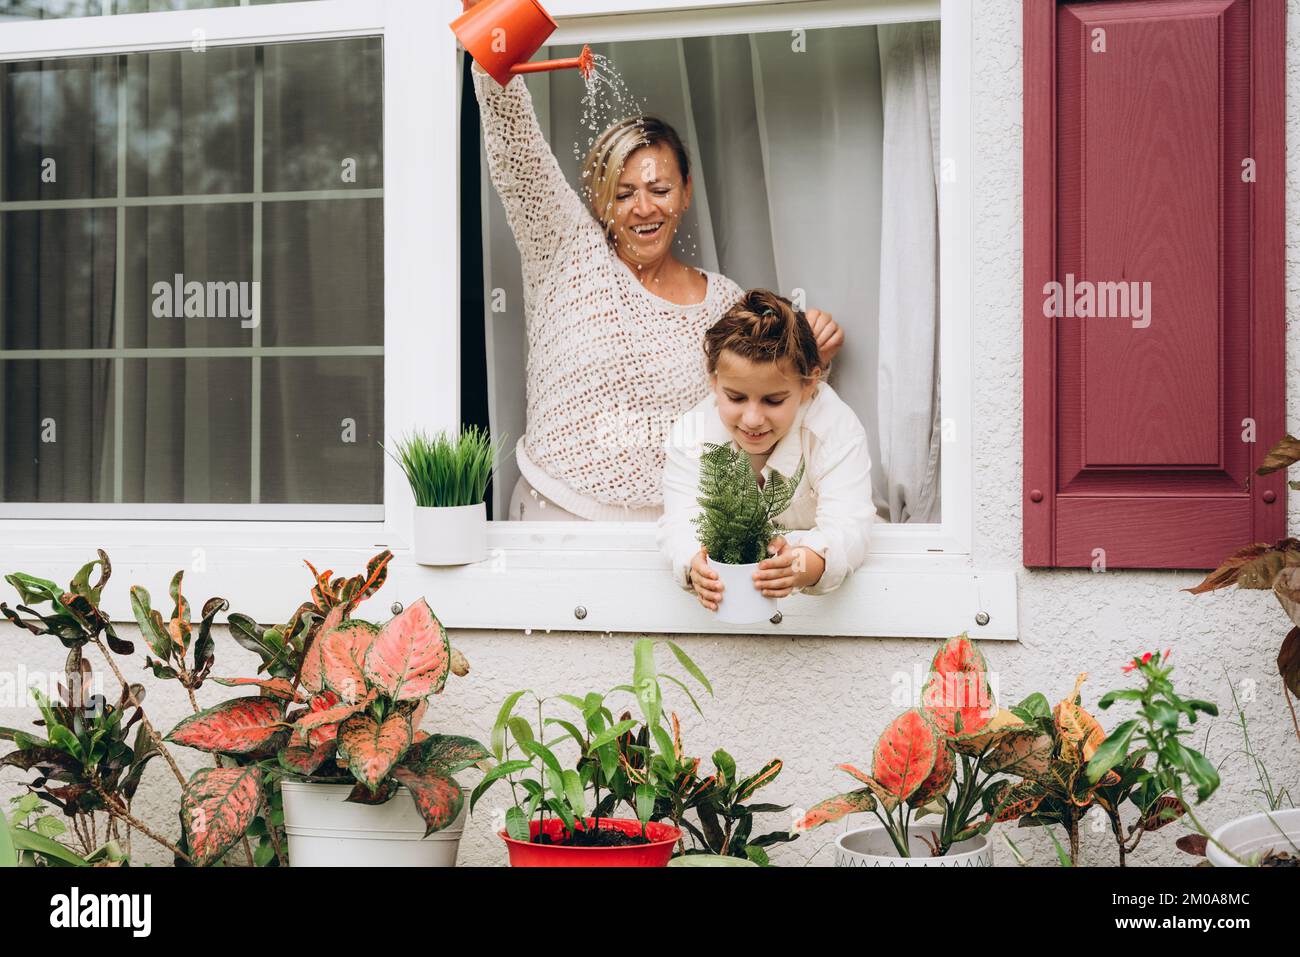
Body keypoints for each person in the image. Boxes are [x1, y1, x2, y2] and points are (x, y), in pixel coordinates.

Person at [466, 10, 843, 522]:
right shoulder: (566, 250)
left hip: (676, 537)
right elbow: (518, 155)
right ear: (600, 202)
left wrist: (811, 354)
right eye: (623, 194)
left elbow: (760, 411)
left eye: (659, 189)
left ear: (686, 193)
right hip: (554, 514)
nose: (644, 208)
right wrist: (493, 44)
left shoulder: (725, 302)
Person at [658, 290, 874, 606]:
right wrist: (694, 564)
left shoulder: (835, 428)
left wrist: (802, 565)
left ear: (808, 384)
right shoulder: (692, 435)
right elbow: (680, 521)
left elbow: (849, 525)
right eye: (735, 398)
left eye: (773, 400)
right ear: (714, 381)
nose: (753, 419)